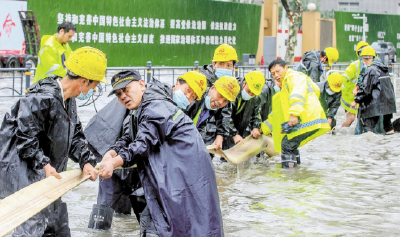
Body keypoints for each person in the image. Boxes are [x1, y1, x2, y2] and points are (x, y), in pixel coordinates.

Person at [98, 71, 223, 236]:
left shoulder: (156, 105)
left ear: (142, 84)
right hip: (171, 175)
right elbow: (131, 136)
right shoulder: (145, 105)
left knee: (186, 223)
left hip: (187, 175)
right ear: (177, 84)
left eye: (127, 89)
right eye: (119, 93)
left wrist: (114, 162)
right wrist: (113, 152)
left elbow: (143, 143)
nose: (123, 96)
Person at [0, 46, 105, 236]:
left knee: (58, 227)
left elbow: (74, 135)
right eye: (93, 85)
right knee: (31, 229)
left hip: (49, 178)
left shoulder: (68, 99)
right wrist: (44, 164)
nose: (93, 90)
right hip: (26, 178)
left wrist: (86, 161)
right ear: (83, 81)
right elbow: (26, 137)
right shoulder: (41, 97)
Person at [262, 59, 330, 168]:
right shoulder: (284, 89)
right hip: (308, 118)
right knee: (290, 144)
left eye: (278, 71)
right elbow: (275, 115)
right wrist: (262, 129)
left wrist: (294, 114)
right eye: (273, 74)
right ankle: (296, 171)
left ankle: (289, 175)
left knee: (287, 145)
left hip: (307, 117)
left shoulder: (294, 77)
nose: (276, 75)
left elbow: (298, 93)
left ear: (286, 68)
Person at [185, 76, 240, 153]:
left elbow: (224, 116)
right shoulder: (195, 98)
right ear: (212, 88)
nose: (221, 102)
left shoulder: (212, 105)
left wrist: (220, 136)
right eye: (220, 95)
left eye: (225, 101)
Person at [352, 46, 396, 135]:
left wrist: (356, 100)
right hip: (389, 101)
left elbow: (366, 88)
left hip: (376, 103)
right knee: (388, 127)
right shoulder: (384, 68)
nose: (363, 62)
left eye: (364, 59)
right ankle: (387, 146)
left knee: (368, 127)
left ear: (365, 59)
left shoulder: (370, 69)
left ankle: (369, 148)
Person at [223, 70, 265, 149]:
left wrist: (256, 127)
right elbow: (225, 115)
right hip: (226, 129)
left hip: (241, 128)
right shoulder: (232, 89)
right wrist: (234, 134)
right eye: (249, 91)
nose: (250, 95)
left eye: (253, 93)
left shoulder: (255, 97)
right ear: (244, 83)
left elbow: (256, 114)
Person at [341, 41, 369, 128]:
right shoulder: (354, 66)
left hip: (360, 98)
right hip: (349, 98)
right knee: (351, 118)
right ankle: (339, 133)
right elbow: (343, 78)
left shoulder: (370, 65)